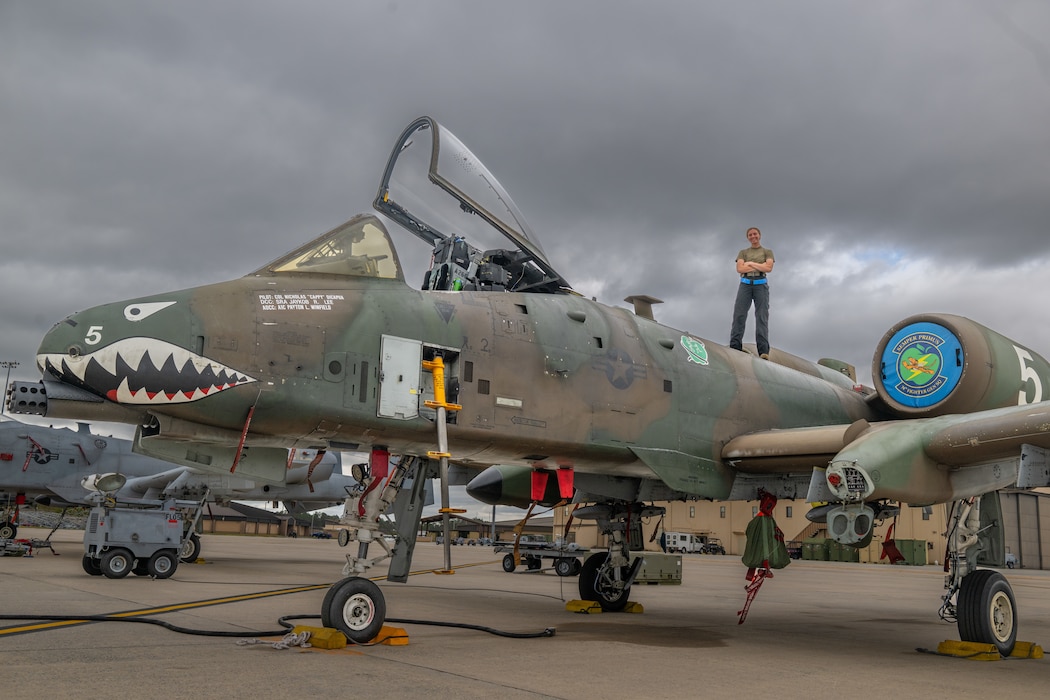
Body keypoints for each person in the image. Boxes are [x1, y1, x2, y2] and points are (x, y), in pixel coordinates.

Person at [729, 227, 775, 358]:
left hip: (761, 285)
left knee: (761, 317)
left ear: (759, 235)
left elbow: (768, 268)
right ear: (747, 237)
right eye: (750, 235)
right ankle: (735, 346)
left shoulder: (767, 252)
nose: (753, 236)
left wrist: (750, 264)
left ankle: (763, 351)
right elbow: (739, 268)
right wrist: (758, 264)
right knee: (739, 315)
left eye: (755, 234)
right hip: (745, 284)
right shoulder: (743, 252)